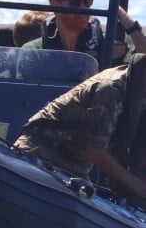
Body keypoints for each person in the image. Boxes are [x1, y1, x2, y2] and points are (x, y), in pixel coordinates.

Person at [13, 53, 146, 201]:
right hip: (41, 155)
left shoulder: (138, 91)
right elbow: (95, 152)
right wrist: (136, 184)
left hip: (74, 169)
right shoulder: (111, 90)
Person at [21, 0, 145, 64]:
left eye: (87, 1)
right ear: (56, 5)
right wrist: (100, 63)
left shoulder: (106, 44)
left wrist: (129, 23)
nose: (83, 8)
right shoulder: (35, 52)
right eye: (75, 2)